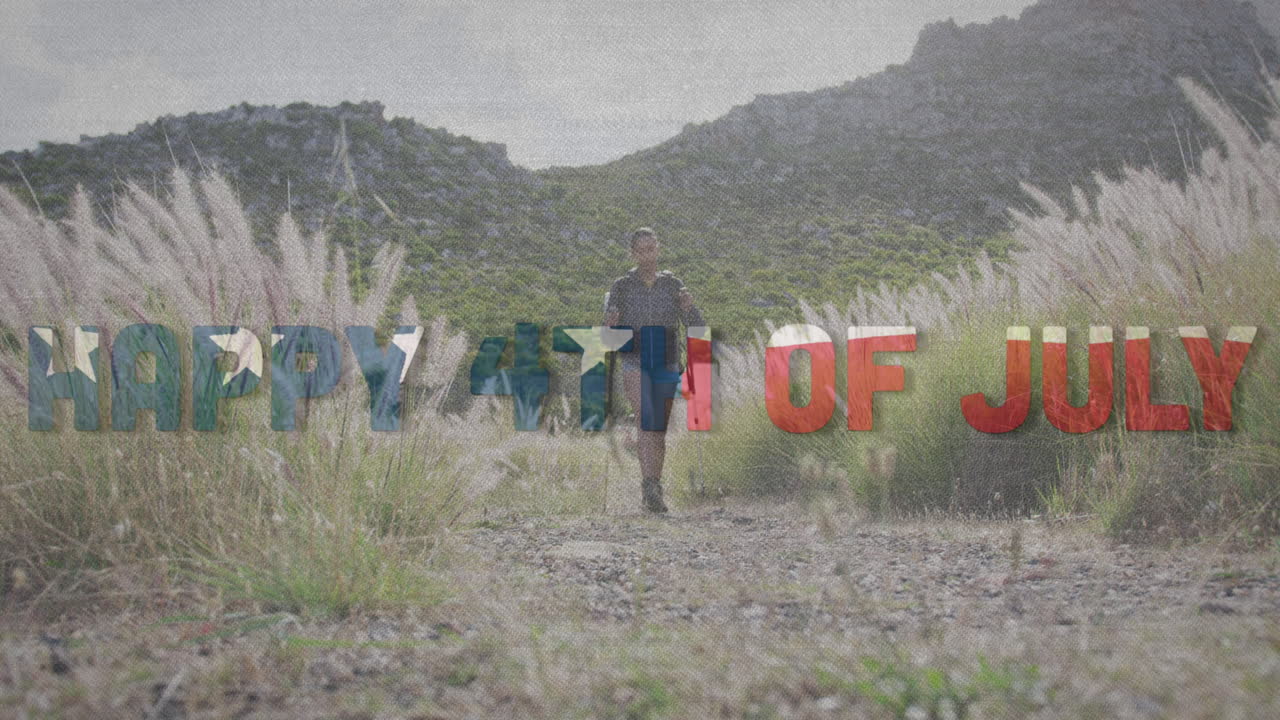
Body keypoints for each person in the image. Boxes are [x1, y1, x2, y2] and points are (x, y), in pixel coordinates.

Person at [604, 227, 704, 513]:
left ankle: (653, 485)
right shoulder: (621, 286)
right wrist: (610, 324)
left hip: (666, 357)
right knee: (646, 419)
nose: (647, 255)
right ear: (633, 253)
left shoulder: (673, 284)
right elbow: (608, 333)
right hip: (634, 357)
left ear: (658, 249)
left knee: (657, 427)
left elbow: (694, 324)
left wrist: (690, 307)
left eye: (651, 249)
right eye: (641, 250)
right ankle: (650, 488)